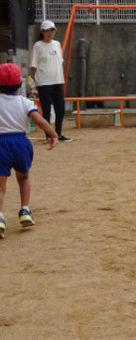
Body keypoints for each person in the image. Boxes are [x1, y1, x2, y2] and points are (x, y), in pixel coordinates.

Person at [0, 63, 58, 239]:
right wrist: (53, 134)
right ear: (20, 84)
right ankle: (24, 210)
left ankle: (0, 218)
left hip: (1, 143)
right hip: (20, 142)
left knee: (0, 184)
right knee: (23, 177)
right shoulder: (25, 102)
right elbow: (38, 120)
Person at [30, 20, 71, 142]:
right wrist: (36, 81)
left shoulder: (57, 44)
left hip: (58, 80)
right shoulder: (38, 45)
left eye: (52, 30)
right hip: (44, 82)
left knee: (60, 109)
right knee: (46, 110)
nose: (50, 33)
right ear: (42, 31)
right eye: (47, 30)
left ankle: (58, 133)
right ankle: (49, 135)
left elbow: (60, 61)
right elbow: (34, 66)